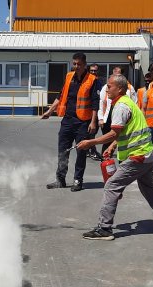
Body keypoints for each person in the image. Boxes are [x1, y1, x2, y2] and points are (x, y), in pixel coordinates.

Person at [76, 74, 153, 240]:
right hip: (148, 155)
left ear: (119, 89)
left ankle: (104, 228)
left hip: (138, 156)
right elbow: (126, 131)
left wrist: (91, 142)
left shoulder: (121, 106)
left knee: (111, 185)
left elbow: (114, 132)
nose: (106, 89)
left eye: (109, 86)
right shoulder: (127, 103)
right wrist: (112, 146)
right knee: (147, 188)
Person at [42, 52, 103, 192]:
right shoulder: (69, 77)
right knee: (62, 150)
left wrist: (93, 123)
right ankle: (60, 179)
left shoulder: (93, 80)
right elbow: (60, 96)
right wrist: (50, 111)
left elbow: (95, 103)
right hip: (68, 121)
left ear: (85, 65)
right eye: (74, 64)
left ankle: (78, 180)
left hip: (83, 122)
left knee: (81, 152)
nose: (76, 66)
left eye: (79, 64)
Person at [97, 66, 137, 157]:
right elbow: (102, 102)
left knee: (119, 139)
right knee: (109, 143)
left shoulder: (124, 101)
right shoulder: (106, 88)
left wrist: (91, 142)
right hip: (109, 116)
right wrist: (101, 118)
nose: (107, 89)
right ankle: (106, 160)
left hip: (124, 118)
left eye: (119, 75)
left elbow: (135, 103)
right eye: (114, 75)